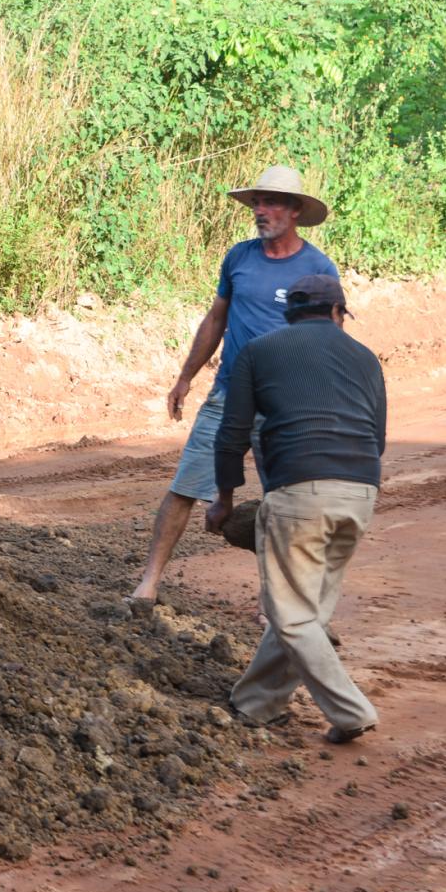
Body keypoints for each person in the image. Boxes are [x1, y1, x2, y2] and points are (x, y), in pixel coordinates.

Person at [129, 165, 338, 606]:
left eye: (271, 202)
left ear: (295, 210)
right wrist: (186, 376)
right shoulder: (238, 258)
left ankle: (275, 604)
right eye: (256, 203)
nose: (261, 211)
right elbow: (216, 319)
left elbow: (329, 334)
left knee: (283, 501)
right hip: (228, 392)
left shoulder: (318, 268)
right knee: (185, 487)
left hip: (286, 403)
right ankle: (148, 583)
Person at [205, 274, 386, 745]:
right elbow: (378, 437)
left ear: (290, 314)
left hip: (299, 493)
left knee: (291, 616)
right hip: (361, 492)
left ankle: (352, 711)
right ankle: (256, 703)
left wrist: (223, 500)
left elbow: (232, 434)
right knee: (308, 612)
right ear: (336, 313)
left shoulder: (258, 352)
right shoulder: (366, 358)